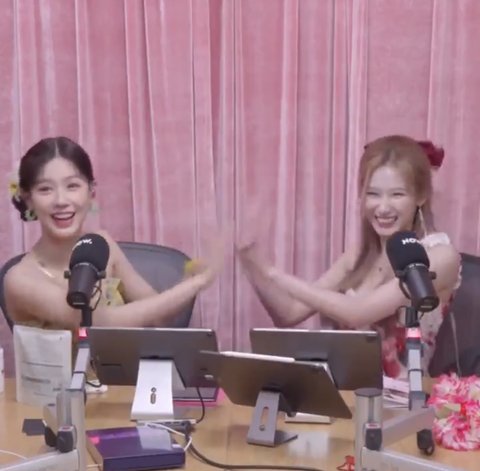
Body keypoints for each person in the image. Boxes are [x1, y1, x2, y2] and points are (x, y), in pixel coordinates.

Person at [237, 135, 461, 378]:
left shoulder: (438, 256)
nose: (383, 207)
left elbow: (357, 313)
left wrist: (272, 273)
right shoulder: (359, 255)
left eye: (397, 195)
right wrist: (249, 258)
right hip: (343, 390)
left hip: (403, 395)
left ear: (420, 196)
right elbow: (289, 313)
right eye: (373, 194)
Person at [4, 136, 221, 333]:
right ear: (28, 199)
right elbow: (98, 323)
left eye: (72, 186)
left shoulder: (104, 245)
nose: (61, 201)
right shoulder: (20, 279)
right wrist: (196, 284)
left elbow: (158, 318)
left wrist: (189, 278)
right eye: (45, 189)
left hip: (124, 367)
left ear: (91, 192)